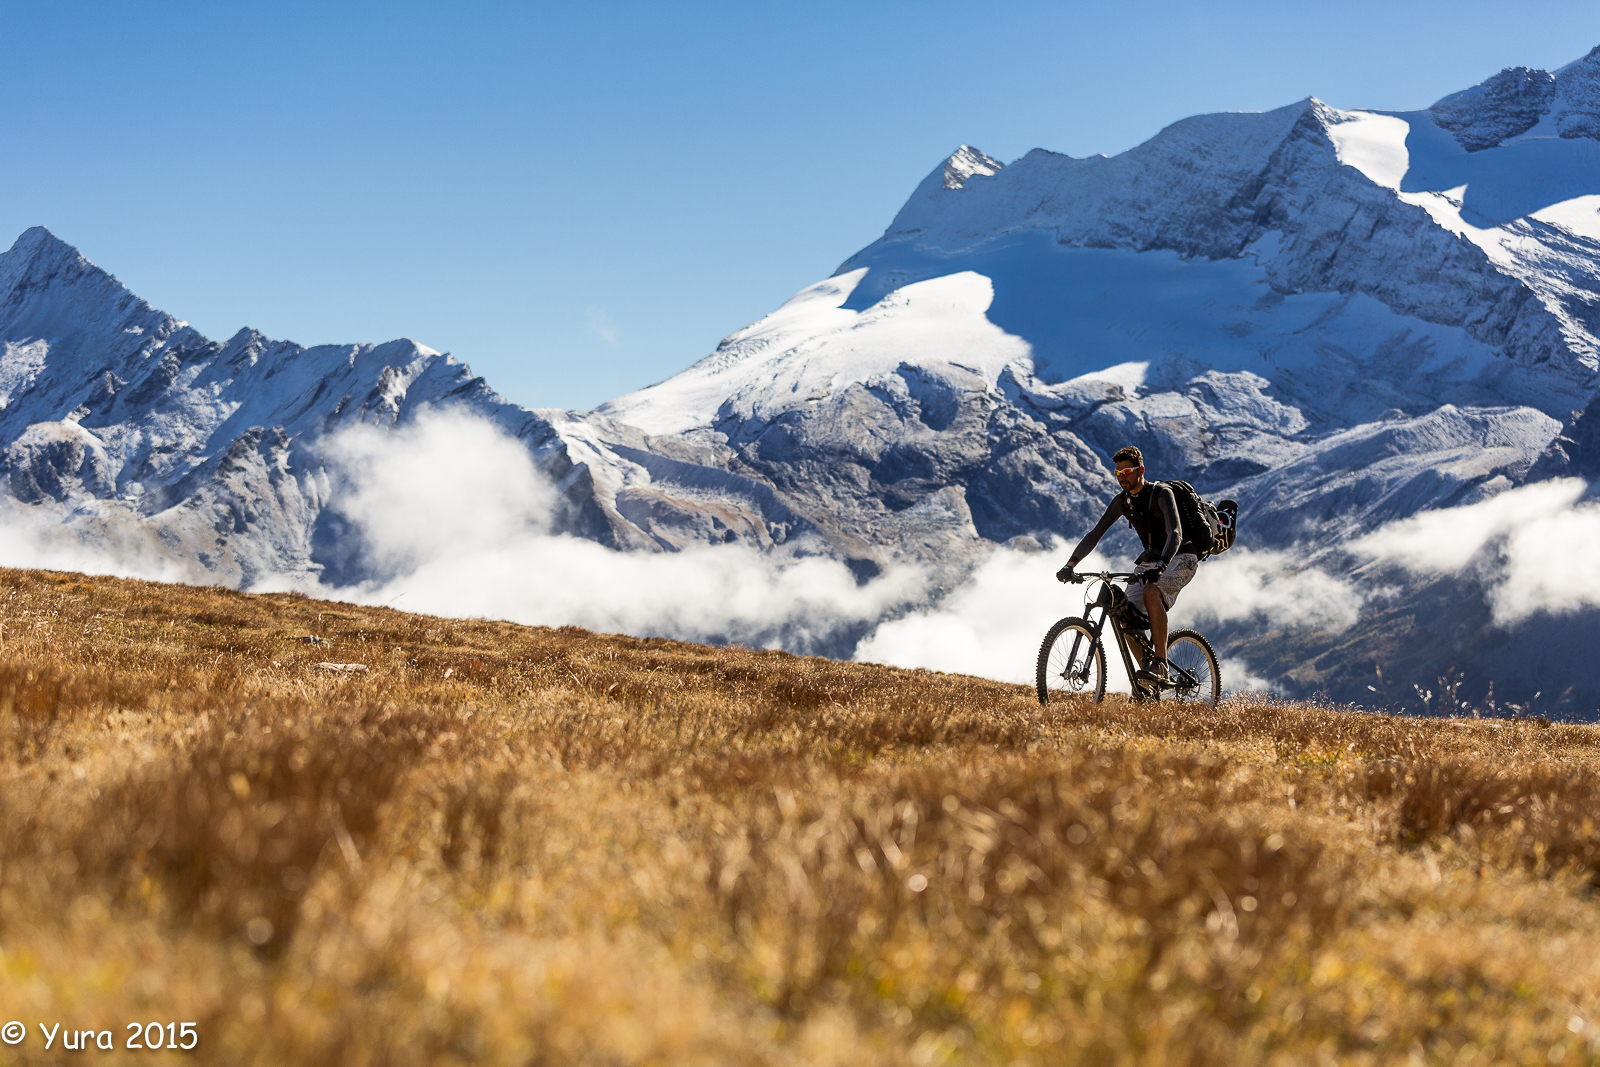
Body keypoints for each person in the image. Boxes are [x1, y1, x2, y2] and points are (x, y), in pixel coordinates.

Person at [1053, 445, 1201, 684]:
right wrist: (1070, 564)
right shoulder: (1123, 502)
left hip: (1182, 557)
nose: (1122, 477)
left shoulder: (1162, 494)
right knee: (1123, 613)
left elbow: (1176, 533)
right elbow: (1095, 533)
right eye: (1118, 473)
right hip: (1151, 562)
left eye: (1127, 471)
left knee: (1152, 591)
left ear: (1141, 470)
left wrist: (1162, 565)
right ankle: (1147, 679)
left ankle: (1160, 664)